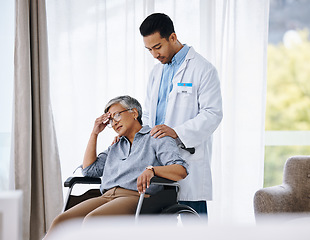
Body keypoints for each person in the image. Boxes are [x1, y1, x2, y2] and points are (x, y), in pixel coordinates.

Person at [44, 95, 188, 239]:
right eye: (111, 120)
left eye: (117, 115)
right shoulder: (116, 146)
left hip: (136, 197)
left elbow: (181, 170)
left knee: (92, 222)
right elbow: (89, 170)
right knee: (62, 222)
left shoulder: (156, 137)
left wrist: (153, 170)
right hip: (106, 196)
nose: (114, 123)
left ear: (134, 113)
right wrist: (95, 133)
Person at [139, 13, 223, 216]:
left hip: (187, 156)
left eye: (157, 47)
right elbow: (149, 114)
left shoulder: (203, 69)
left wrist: (176, 132)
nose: (154, 55)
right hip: (159, 160)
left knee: (194, 224)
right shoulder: (156, 73)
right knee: (159, 226)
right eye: (149, 49)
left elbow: (213, 114)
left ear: (173, 37)